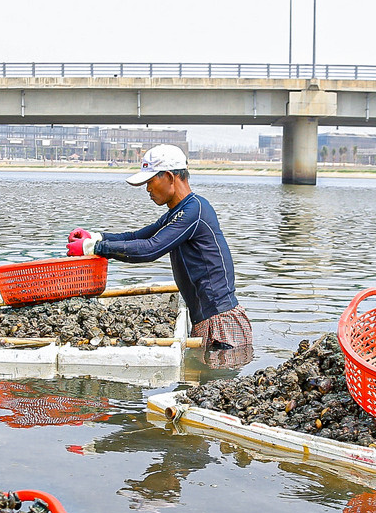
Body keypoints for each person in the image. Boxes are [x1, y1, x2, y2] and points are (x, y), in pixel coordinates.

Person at [66, 144, 253, 367]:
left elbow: (150, 249)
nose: (147, 190)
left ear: (170, 177)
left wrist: (93, 249)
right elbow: (137, 236)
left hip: (221, 323)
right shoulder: (178, 212)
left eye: (150, 182)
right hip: (207, 320)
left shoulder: (194, 211)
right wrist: (96, 237)